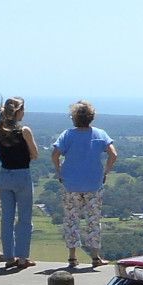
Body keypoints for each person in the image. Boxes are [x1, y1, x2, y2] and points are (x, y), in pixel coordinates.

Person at [50, 100, 117, 271]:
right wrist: (105, 173)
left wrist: (59, 172)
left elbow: (55, 154)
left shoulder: (67, 135)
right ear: (91, 117)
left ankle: (72, 258)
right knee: (93, 220)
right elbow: (113, 155)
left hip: (71, 184)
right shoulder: (100, 134)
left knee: (72, 219)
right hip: (94, 184)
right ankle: (95, 257)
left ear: (74, 118)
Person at [0, 96, 40, 270]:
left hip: (4, 175)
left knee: (6, 218)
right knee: (25, 218)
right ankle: (22, 257)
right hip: (22, 175)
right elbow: (34, 154)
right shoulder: (24, 131)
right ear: (19, 111)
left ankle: (9, 256)